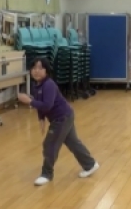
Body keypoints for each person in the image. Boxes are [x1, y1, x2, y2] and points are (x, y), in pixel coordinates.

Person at [17, 57, 99, 186]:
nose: (36, 71)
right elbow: (40, 102)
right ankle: (90, 164)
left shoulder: (48, 85)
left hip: (62, 118)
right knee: (73, 142)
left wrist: (29, 101)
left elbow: (47, 105)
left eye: (40, 68)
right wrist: (41, 118)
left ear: (46, 70)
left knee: (49, 144)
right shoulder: (37, 85)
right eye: (34, 68)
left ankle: (46, 174)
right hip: (66, 115)